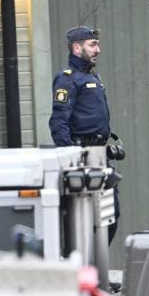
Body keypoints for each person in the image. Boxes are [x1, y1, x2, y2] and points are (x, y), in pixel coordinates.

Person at [50, 25, 120, 238]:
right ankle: (84, 266)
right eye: (93, 45)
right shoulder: (67, 79)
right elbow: (58, 123)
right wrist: (71, 156)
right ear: (77, 48)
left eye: (97, 44)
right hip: (82, 156)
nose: (97, 50)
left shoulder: (92, 78)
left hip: (99, 155)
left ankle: (95, 266)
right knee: (83, 220)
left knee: (109, 217)